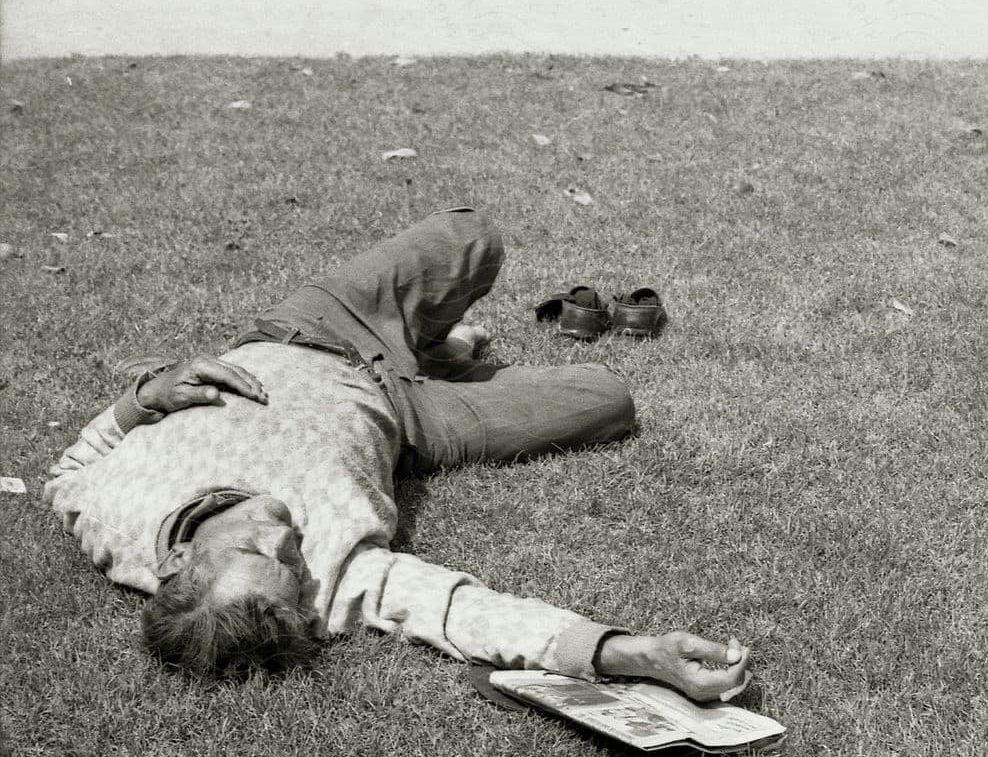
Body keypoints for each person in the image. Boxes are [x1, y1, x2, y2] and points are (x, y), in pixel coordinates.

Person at [45, 207, 751, 701]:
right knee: (605, 398)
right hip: (405, 417)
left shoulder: (112, 517)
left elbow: (70, 468)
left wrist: (146, 396)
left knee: (472, 237)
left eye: (256, 551)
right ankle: (442, 359)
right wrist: (631, 653)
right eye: (290, 564)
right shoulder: (331, 576)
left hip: (311, 330)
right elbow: (459, 610)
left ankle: (440, 347)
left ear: (176, 564)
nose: (284, 536)